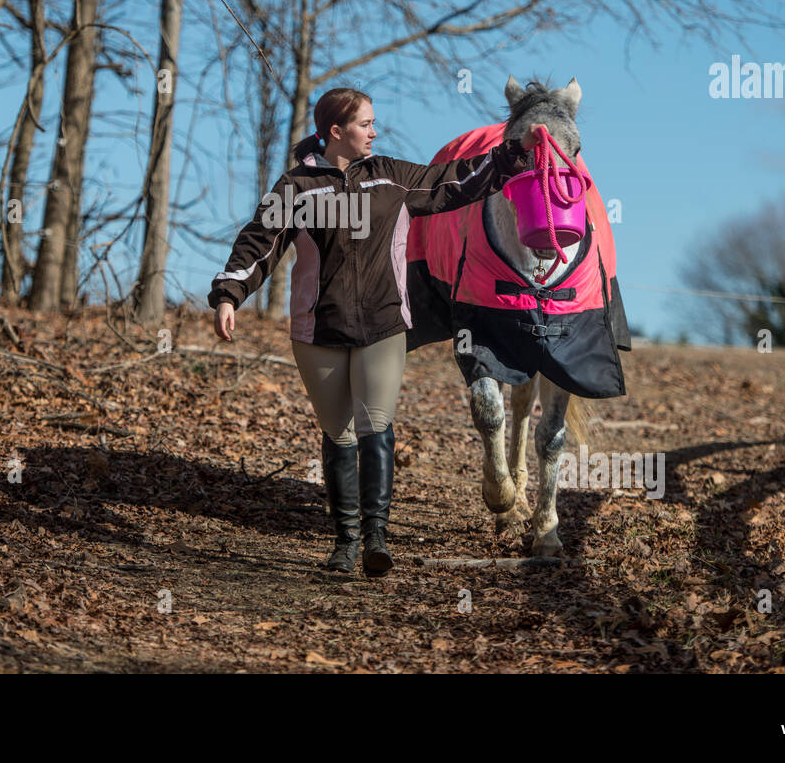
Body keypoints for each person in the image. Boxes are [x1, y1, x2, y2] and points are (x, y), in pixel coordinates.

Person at [207, 87, 538, 576]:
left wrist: (517, 150)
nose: (375, 132)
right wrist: (230, 294)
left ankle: (376, 539)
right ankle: (344, 542)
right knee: (338, 433)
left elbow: (458, 181)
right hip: (316, 328)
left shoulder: (391, 178)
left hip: (383, 324)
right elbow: (260, 242)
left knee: (375, 425)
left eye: (374, 123)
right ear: (337, 132)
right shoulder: (297, 188)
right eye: (366, 124)